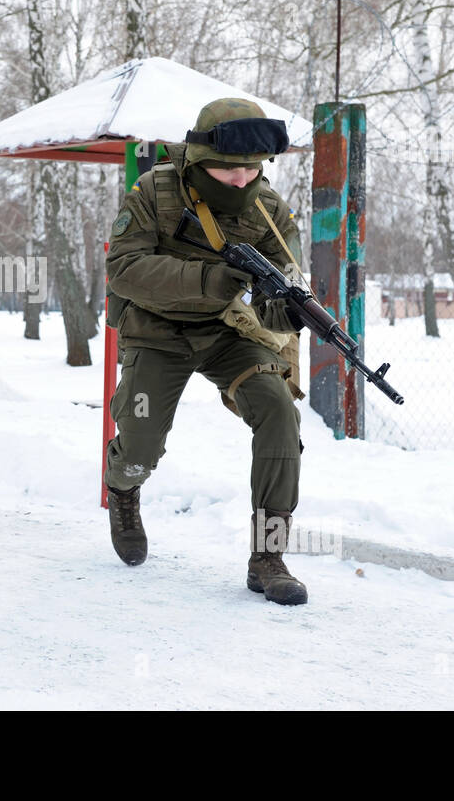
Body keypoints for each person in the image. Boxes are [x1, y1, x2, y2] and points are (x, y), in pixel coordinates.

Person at [103, 97, 308, 605]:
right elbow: (124, 270)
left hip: (228, 333)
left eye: (251, 169)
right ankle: (123, 489)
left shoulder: (270, 210)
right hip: (156, 330)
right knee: (141, 442)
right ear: (197, 160)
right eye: (227, 170)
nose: (241, 181)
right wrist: (211, 279)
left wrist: (290, 309)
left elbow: (281, 290)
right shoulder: (154, 192)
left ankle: (269, 556)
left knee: (279, 411)